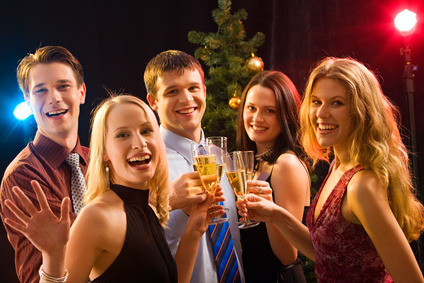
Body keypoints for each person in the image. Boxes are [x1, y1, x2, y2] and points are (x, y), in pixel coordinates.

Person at [237, 57, 424, 282]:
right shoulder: (338, 166)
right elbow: (326, 255)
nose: (321, 113)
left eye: (336, 103)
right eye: (316, 102)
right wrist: (275, 215)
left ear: (360, 111)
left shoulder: (361, 184)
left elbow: (411, 279)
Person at [4, 94, 224, 282]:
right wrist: (52, 256)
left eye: (146, 131)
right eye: (122, 135)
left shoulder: (147, 206)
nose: (140, 143)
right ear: (104, 153)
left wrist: (195, 229)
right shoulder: (98, 216)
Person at [145, 50, 272, 283]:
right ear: (153, 101)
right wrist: (163, 203)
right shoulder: (146, 164)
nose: (186, 99)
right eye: (172, 91)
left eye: (193, 88)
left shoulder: (223, 158)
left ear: (204, 91)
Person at [0, 46, 88, 282]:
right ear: (27, 100)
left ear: (81, 92)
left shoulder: (101, 160)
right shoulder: (23, 176)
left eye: (63, 86)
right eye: (41, 90)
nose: (54, 98)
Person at [236, 70, 310, 282]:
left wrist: (270, 213)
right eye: (251, 108)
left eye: (269, 111)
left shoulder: (285, 164)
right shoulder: (256, 163)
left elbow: (288, 255)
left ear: (286, 116)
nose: (257, 118)